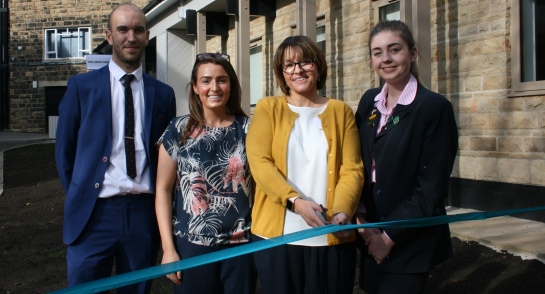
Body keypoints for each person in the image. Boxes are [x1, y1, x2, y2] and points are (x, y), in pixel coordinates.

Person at [55, 4, 176, 293]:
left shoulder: (162, 93)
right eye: (123, 29)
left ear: (147, 36)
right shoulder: (80, 87)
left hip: (142, 216)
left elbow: (167, 156)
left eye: (137, 30)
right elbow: (64, 154)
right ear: (109, 36)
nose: (130, 37)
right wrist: (81, 192)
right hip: (93, 215)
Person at [246, 35, 364, 294]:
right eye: (289, 65)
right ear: (281, 72)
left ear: (318, 66)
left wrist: (343, 211)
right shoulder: (268, 108)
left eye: (306, 62)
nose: (297, 70)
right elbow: (259, 162)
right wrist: (295, 202)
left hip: (331, 236)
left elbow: (352, 169)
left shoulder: (341, 111)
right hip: (276, 238)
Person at [354, 20, 458, 294]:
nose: (386, 58)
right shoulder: (369, 102)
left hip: (409, 239)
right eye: (377, 52)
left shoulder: (433, 108)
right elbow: (357, 164)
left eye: (394, 49)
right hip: (369, 233)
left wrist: (388, 237)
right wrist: (362, 223)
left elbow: (431, 186)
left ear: (412, 53)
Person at [155, 53, 256, 294]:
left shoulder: (248, 128)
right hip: (192, 245)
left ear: (231, 85)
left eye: (222, 80)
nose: (214, 87)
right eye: (206, 80)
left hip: (240, 247)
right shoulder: (179, 129)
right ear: (195, 87)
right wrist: (168, 249)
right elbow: (163, 189)